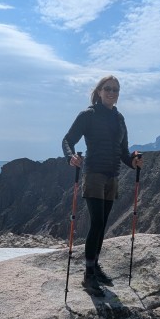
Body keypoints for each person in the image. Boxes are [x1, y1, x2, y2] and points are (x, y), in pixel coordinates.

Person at [62, 75, 143, 297]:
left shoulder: (119, 119)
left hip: (112, 176)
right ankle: (88, 276)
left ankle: (94, 268)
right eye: (107, 88)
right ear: (99, 91)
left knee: (103, 224)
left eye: (116, 90)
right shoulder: (88, 115)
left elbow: (123, 153)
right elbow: (68, 140)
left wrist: (133, 161)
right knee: (97, 223)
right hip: (94, 174)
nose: (112, 92)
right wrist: (71, 157)